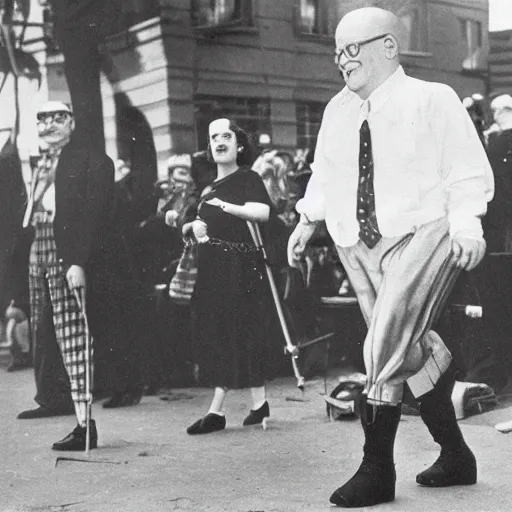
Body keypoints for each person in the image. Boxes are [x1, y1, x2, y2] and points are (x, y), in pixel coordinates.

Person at [287, 8, 494, 508]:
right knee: (410, 346)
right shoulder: (338, 109)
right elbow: (326, 172)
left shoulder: (432, 98)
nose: (342, 60)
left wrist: (467, 224)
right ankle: (455, 453)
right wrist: (307, 219)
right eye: (336, 51)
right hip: (358, 242)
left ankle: (376, 469)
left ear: (388, 47)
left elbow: (465, 168)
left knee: (382, 346)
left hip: (424, 232)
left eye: (351, 49)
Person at [170, 118, 273, 435]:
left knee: (238, 332)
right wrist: (193, 227)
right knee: (221, 334)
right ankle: (259, 406)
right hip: (212, 269)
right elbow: (187, 226)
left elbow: (262, 213)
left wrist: (226, 207)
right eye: (214, 137)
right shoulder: (207, 187)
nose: (219, 141)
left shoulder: (248, 178)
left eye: (226, 136)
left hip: (240, 267)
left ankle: (217, 411)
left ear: (239, 145)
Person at [23, 100, 115, 451]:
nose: (49, 125)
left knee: (74, 335)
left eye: (58, 118)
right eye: (43, 119)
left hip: (67, 255)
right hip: (40, 253)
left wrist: (78, 260)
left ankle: (84, 424)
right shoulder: (42, 165)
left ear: (72, 123)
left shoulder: (90, 161)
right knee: (49, 335)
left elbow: (93, 215)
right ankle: (71, 414)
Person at [484, 94, 512, 253]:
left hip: (503, 189)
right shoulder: (495, 134)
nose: (494, 115)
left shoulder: (499, 136)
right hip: (500, 191)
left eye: (496, 111)